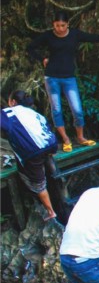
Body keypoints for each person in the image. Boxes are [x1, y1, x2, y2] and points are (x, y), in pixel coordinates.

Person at [26, 11, 99, 152]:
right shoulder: (48, 36)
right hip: (52, 77)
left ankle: (80, 137)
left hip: (69, 78)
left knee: (77, 110)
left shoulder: (75, 34)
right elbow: (30, 48)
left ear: (67, 24)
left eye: (62, 25)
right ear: (53, 25)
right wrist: (42, 58)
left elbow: (94, 38)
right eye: (57, 25)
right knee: (56, 110)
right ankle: (66, 139)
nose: (60, 28)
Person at [0, 90, 59, 221]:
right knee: (31, 162)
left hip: (34, 151)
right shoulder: (35, 114)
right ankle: (49, 173)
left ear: (13, 102)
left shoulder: (9, 113)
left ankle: (51, 211)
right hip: (51, 144)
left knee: (39, 184)